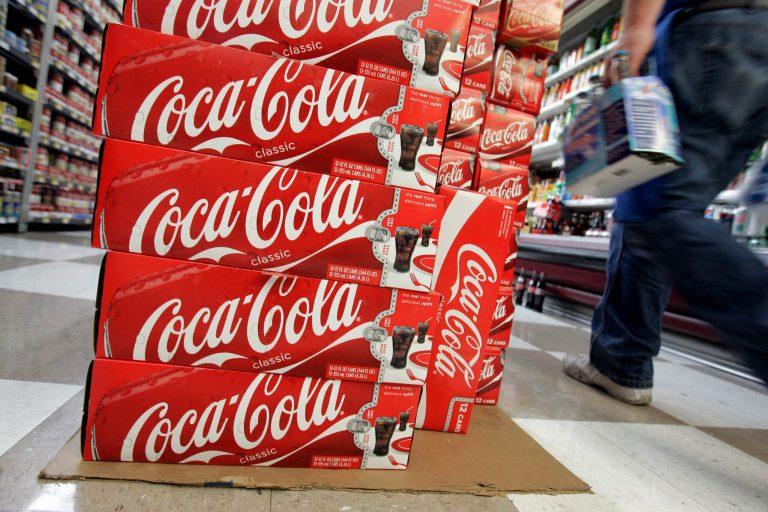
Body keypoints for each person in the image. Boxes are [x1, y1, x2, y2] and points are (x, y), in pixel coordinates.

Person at [563, 0, 768, 404]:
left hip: (715, 33)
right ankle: (620, 362)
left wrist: (634, 33)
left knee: (661, 210)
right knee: (654, 205)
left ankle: (622, 360)